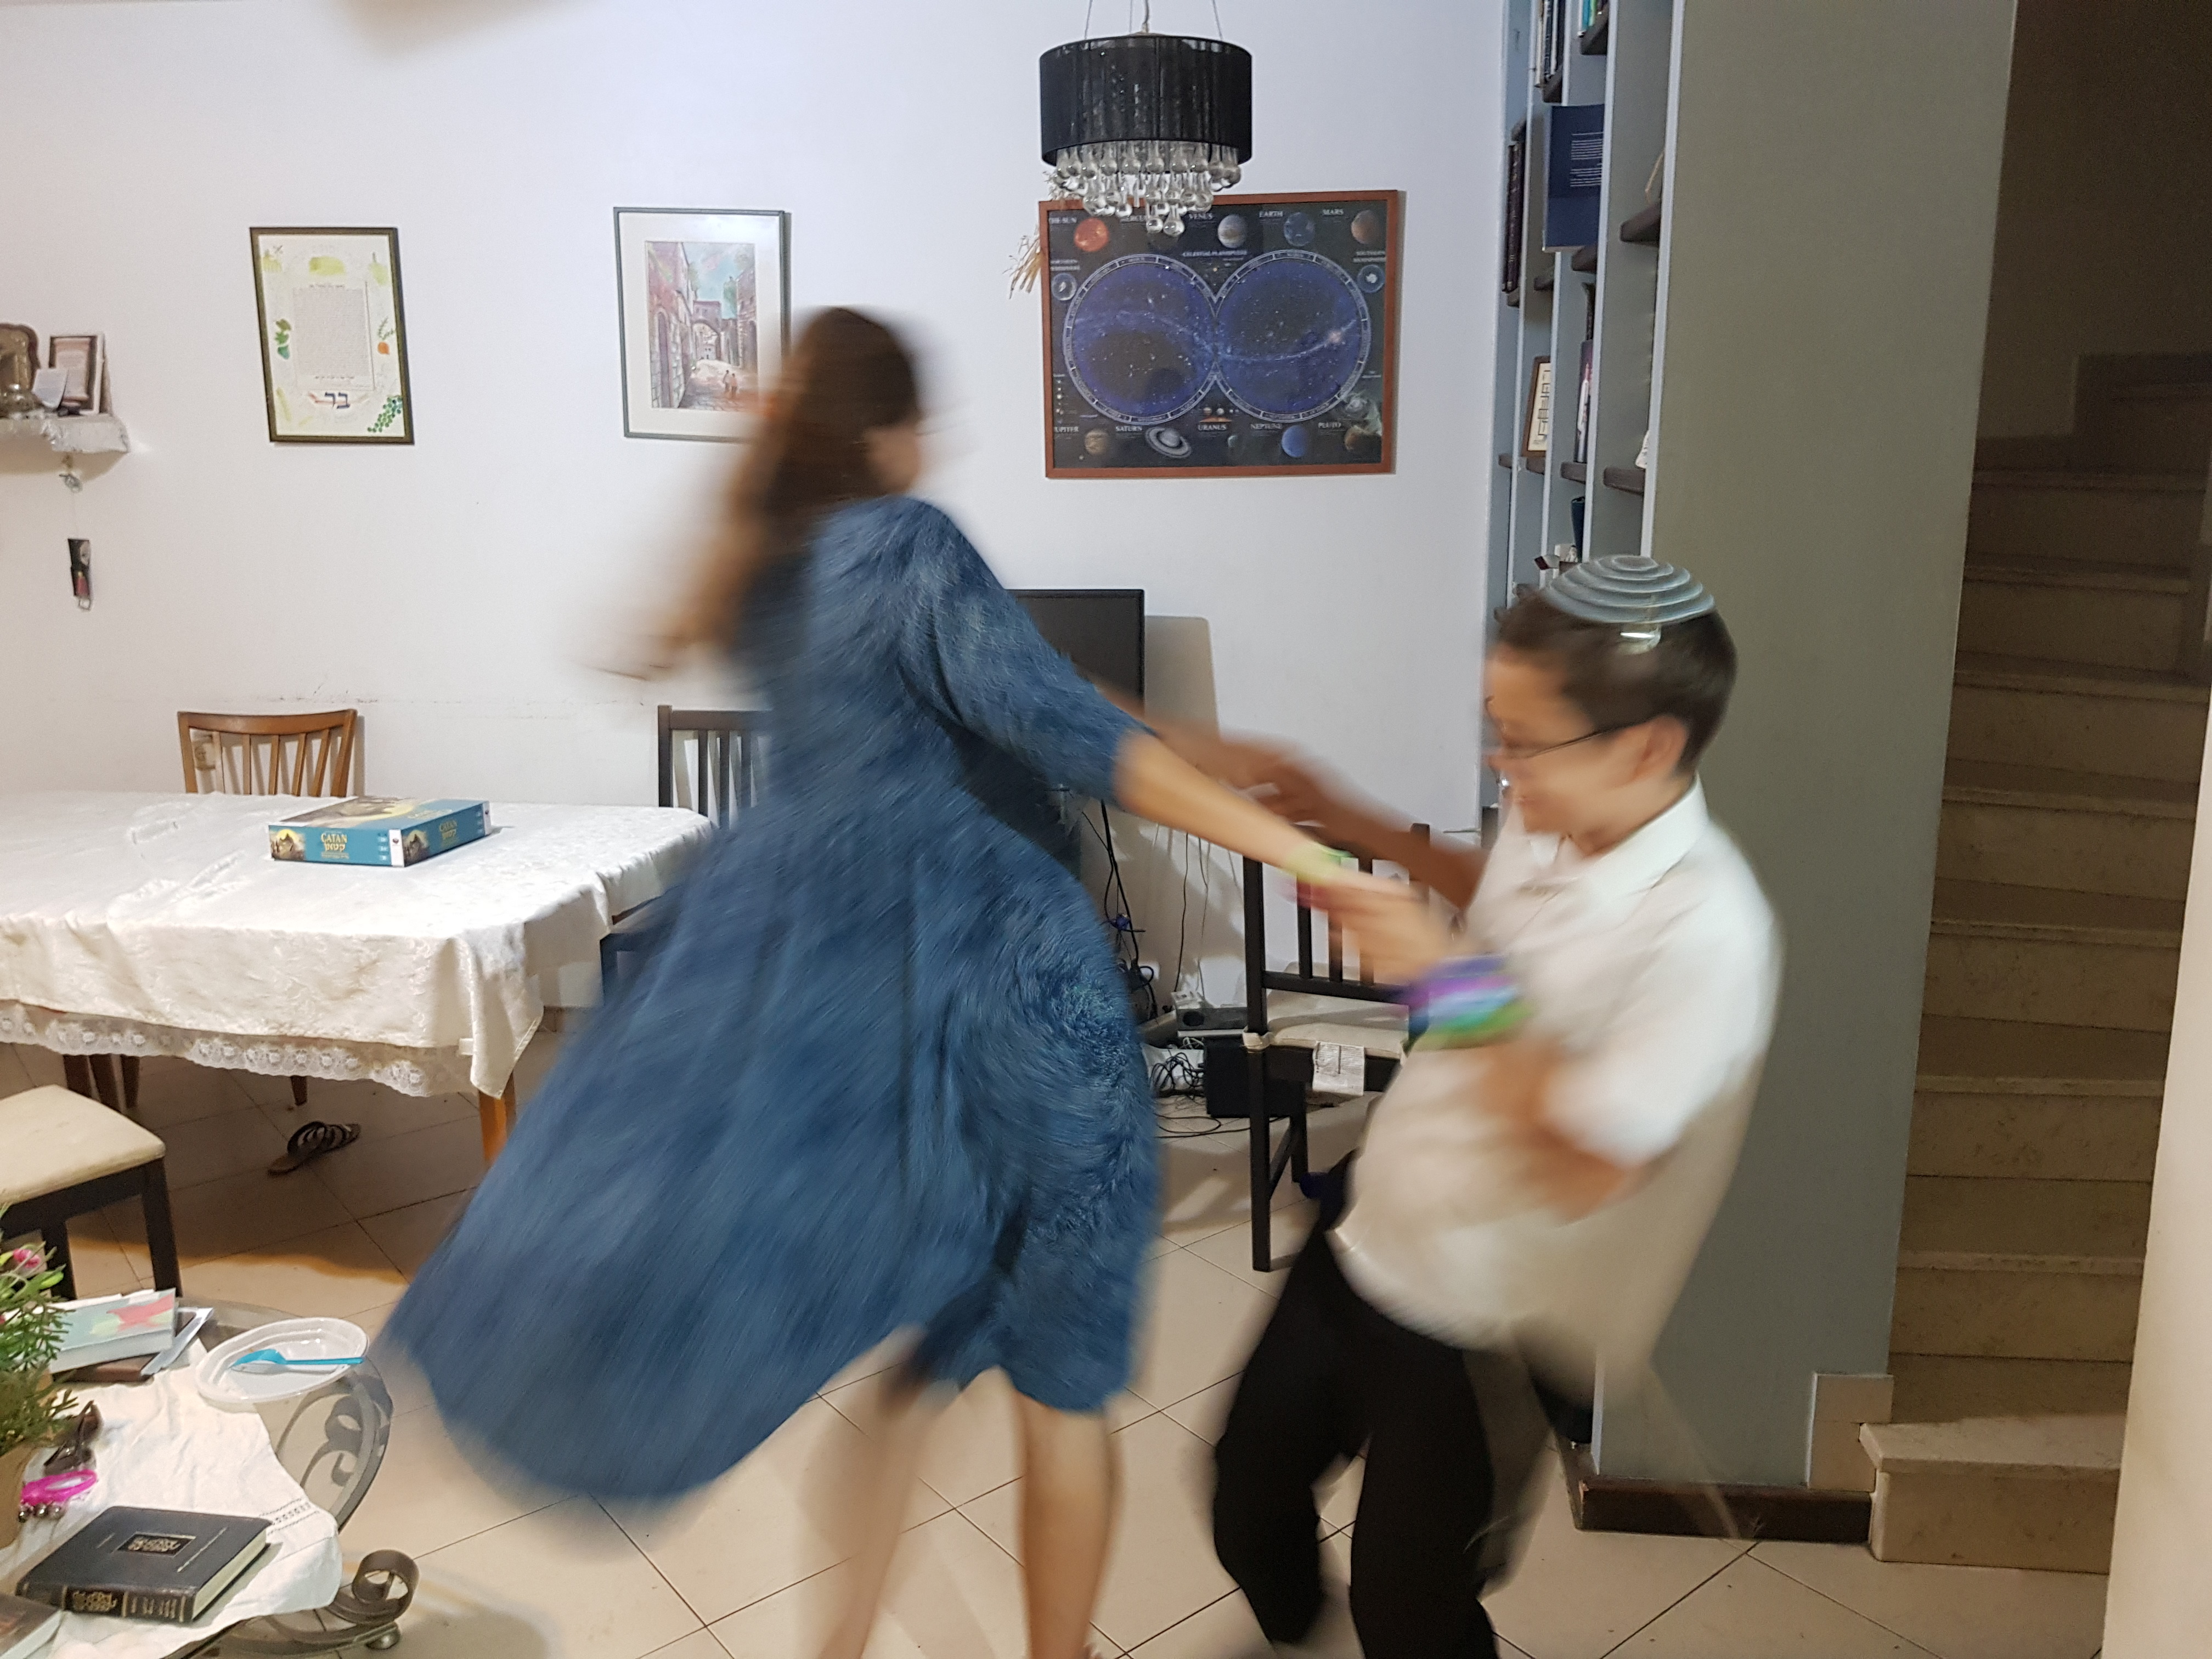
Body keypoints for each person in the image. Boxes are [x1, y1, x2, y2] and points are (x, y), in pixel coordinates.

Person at [383, 309, 1379, 1659]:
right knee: (1061, 1392)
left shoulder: (765, 575)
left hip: (871, 1044)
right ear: (891, 432)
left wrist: (1201, 748)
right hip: (1020, 1021)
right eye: (928, 422)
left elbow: (1022, 694)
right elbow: (1081, 738)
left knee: (914, 1383)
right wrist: (1315, 859)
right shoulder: (909, 546)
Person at [1209, 557, 1781, 1659]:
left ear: (1646, 748)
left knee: (1408, 1610)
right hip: (1367, 1235)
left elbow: (1589, 1167)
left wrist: (1447, 979)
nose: (1500, 765)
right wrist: (1359, 822)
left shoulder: (1709, 937)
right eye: (1496, 729)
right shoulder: (1554, 808)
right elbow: (1505, 895)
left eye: (1523, 739)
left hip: (1485, 1329)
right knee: (1246, 1502)